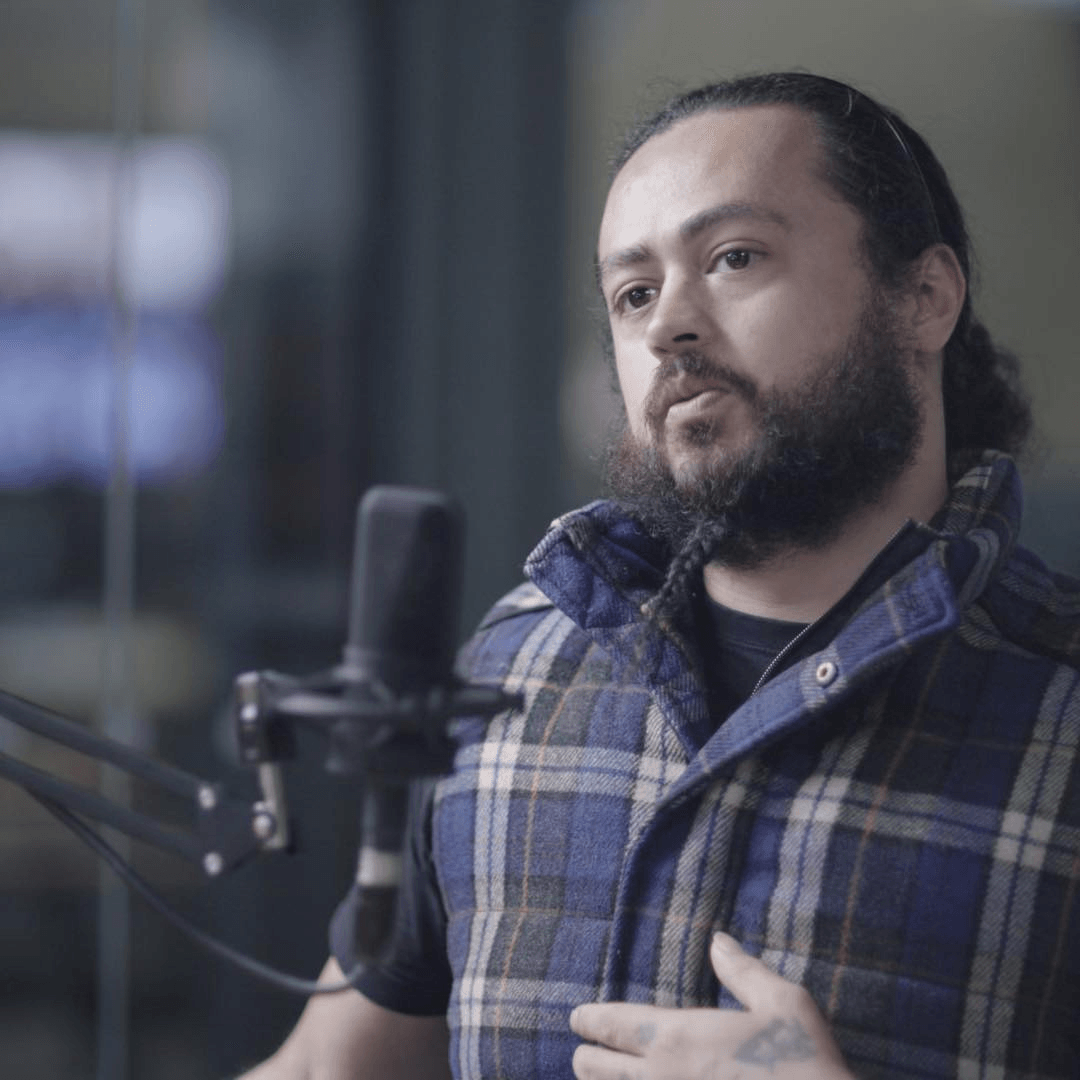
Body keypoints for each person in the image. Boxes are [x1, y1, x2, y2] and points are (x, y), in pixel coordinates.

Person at [240, 72, 1080, 1079]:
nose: (666, 327)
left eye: (733, 258)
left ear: (924, 299)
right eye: (634, 292)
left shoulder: (1060, 706)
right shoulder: (517, 664)